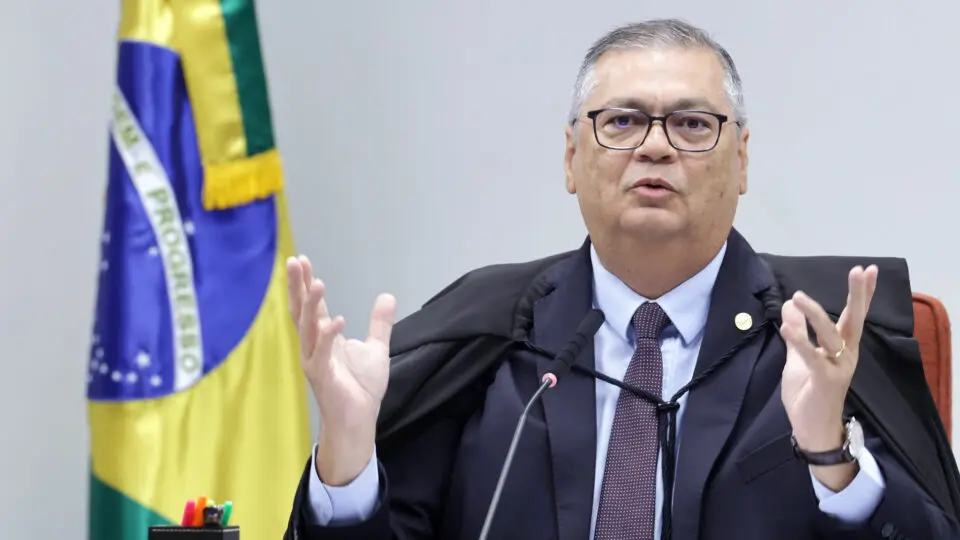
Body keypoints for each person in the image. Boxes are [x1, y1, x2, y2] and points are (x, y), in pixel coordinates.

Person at [281, 19, 960, 540]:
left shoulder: (820, 344)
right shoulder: (484, 339)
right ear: (571, 158)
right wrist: (348, 458)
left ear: (742, 162)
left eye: (692, 124)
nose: (656, 146)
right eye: (623, 121)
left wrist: (831, 456)